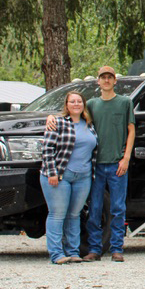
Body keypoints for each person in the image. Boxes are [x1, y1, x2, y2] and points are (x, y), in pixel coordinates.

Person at [50, 65, 135, 262]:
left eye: (110, 77)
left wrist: (127, 158)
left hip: (117, 164)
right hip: (95, 166)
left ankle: (117, 248)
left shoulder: (124, 103)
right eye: (103, 77)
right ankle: (95, 249)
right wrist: (50, 118)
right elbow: (73, 116)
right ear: (98, 81)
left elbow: (131, 130)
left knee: (117, 208)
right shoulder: (93, 105)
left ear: (115, 81)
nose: (106, 80)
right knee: (95, 208)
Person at [40, 92, 96, 264]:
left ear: (83, 105)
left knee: (74, 214)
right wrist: (52, 172)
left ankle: (72, 252)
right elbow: (47, 148)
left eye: (79, 101)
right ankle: (56, 254)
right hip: (60, 175)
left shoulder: (90, 125)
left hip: (83, 176)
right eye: (72, 101)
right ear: (67, 105)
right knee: (57, 214)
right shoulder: (58, 122)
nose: (76, 104)